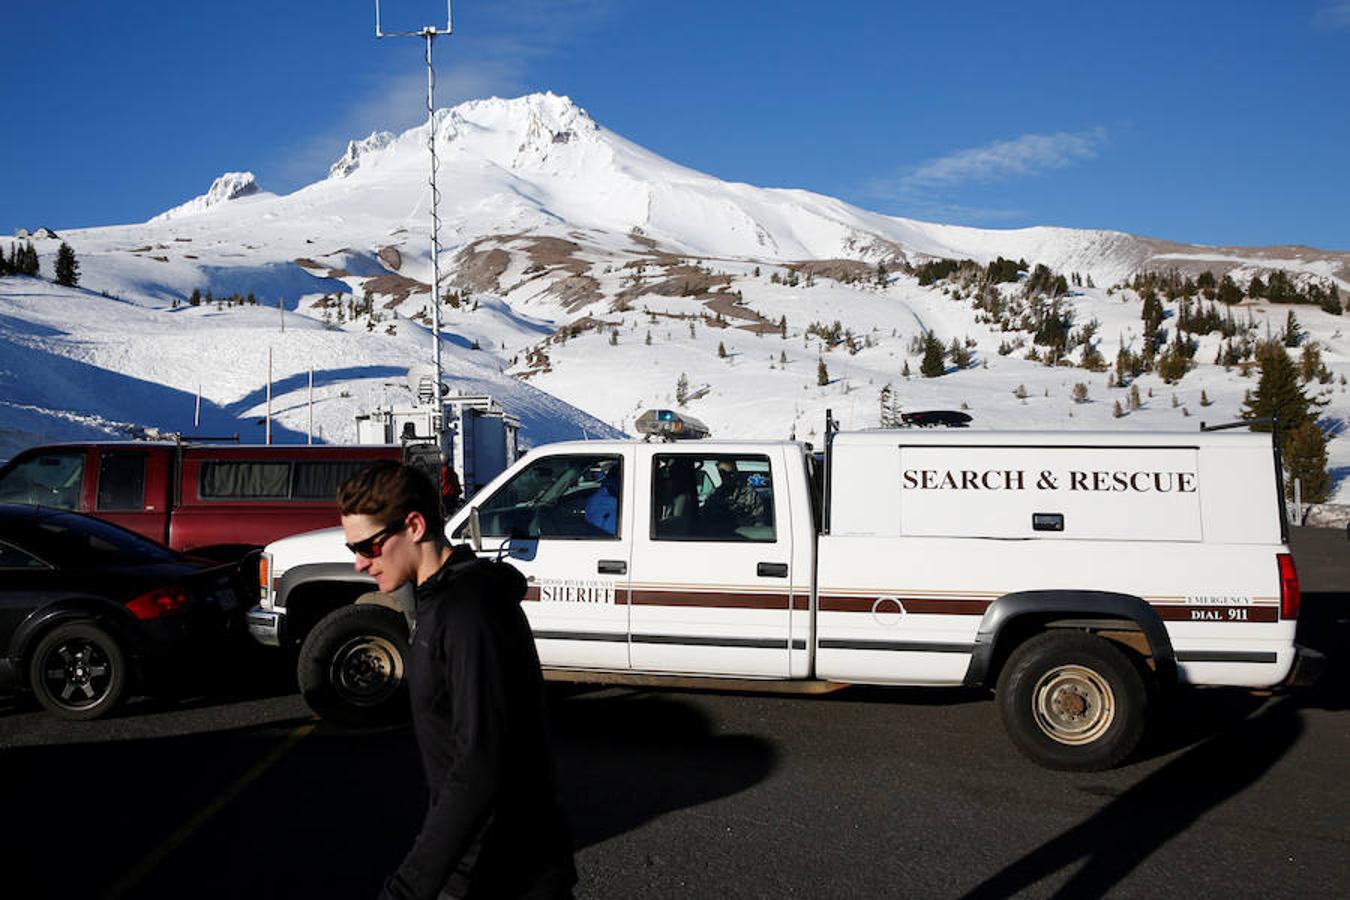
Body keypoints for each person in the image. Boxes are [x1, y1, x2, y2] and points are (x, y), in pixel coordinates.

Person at [337, 461, 576, 900]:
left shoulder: (468, 612)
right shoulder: (438, 602)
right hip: (477, 865)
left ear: (413, 525)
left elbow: (480, 763)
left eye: (368, 547)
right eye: (352, 548)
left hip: (507, 873)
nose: (359, 563)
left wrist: (408, 890)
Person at [700, 458, 768, 534]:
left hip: (745, 536)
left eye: (731, 473)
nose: (728, 477)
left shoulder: (750, 494)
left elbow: (760, 522)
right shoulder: (714, 495)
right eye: (723, 473)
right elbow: (705, 520)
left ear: (736, 472)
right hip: (720, 536)